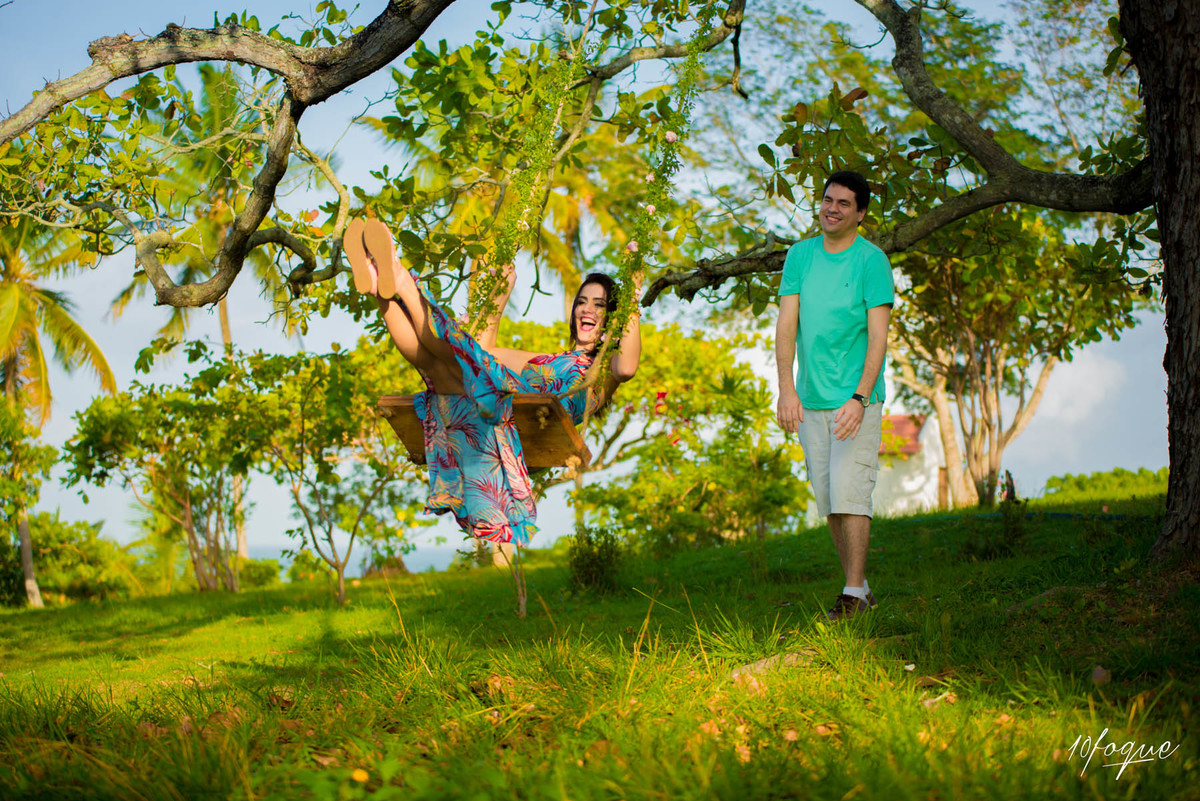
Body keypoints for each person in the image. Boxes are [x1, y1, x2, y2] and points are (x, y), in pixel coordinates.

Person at [343, 218, 642, 545]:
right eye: (582, 302)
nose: (587, 309)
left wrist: (632, 303)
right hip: (491, 402)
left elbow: (627, 367)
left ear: (612, 318)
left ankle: (397, 278)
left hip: (504, 410)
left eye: (599, 305)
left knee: (452, 356)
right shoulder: (547, 361)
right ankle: (377, 288)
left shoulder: (600, 374)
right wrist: (500, 293)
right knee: (437, 363)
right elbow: (484, 354)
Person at [774, 171, 895, 621]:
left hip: (855, 399)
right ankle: (859, 590)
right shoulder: (800, 256)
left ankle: (851, 595)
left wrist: (860, 397)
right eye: (828, 199)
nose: (832, 208)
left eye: (844, 203)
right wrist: (787, 388)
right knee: (828, 500)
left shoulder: (871, 261)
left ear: (860, 213)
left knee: (851, 493)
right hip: (810, 399)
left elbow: (879, 338)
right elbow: (787, 326)